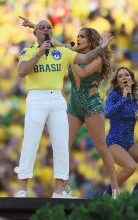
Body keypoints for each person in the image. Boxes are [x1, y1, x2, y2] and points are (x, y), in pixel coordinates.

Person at [15, 18, 113, 198]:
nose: (46, 30)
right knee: (30, 142)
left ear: (52, 32)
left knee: (61, 144)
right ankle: (22, 188)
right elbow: (21, 72)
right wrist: (39, 54)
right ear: (35, 33)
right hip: (36, 98)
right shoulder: (27, 51)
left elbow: (84, 58)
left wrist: (101, 48)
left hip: (57, 98)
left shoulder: (62, 52)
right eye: (41, 27)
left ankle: (59, 190)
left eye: (49, 27)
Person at [66, 27, 119, 198]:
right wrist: (37, 27)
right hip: (73, 105)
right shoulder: (74, 53)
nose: (78, 39)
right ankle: (63, 186)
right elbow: (57, 43)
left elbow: (81, 73)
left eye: (82, 36)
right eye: (78, 36)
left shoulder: (97, 59)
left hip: (92, 106)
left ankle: (115, 189)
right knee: (63, 146)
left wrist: (69, 56)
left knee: (102, 149)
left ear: (91, 41)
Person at [105, 66, 138, 196]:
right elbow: (107, 113)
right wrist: (123, 98)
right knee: (130, 167)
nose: (124, 77)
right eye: (120, 76)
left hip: (129, 142)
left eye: (127, 75)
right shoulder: (113, 96)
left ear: (131, 79)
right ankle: (109, 194)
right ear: (117, 82)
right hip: (114, 142)